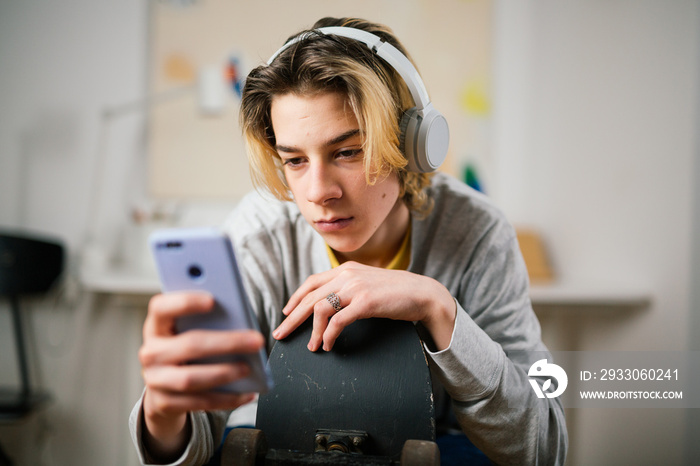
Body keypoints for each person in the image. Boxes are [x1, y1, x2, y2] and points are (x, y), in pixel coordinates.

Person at [130, 17, 567, 465]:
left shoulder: (477, 233)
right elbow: (192, 442)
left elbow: (543, 447)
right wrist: (165, 413)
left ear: (412, 143)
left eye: (347, 152)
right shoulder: (258, 237)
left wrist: (438, 307)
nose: (319, 191)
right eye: (295, 160)